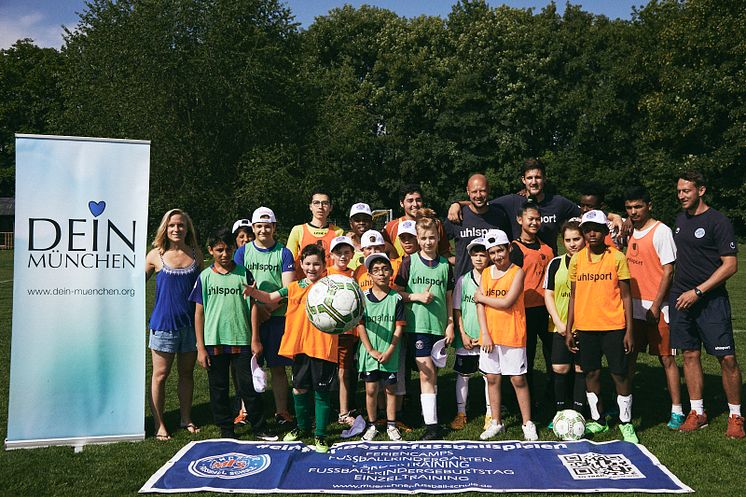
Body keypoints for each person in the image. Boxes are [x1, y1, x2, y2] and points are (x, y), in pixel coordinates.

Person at [669, 171, 743, 439]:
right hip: (681, 299)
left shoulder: (718, 221)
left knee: (727, 358)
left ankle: (735, 415)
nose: (681, 196)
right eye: (678, 191)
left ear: (701, 190)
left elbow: (731, 265)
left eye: (686, 191)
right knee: (689, 355)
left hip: (709, 300)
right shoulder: (679, 220)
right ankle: (697, 412)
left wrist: (698, 291)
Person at [244, 243, 339, 452]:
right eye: (308, 264)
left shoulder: (331, 287)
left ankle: (321, 435)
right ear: (301, 265)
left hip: (323, 346)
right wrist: (254, 292)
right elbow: (270, 298)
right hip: (301, 348)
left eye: (316, 264)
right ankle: (302, 427)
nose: (312, 268)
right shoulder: (294, 287)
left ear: (324, 266)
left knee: (321, 392)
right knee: (299, 388)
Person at [190, 228, 276, 441]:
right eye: (219, 250)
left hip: (242, 339)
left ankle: (259, 427)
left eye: (228, 249)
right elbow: (199, 313)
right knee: (218, 389)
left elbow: (254, 306)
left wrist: (255, 338)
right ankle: (226, 430)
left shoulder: (244, 274)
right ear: (211, 251)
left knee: (248, 387)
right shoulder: (205, 277)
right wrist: (200, 347)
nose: (225, 254)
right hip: (214, 341)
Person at [566, 210, 637, 443]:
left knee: (619, 373)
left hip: (614, 326)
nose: (592, 233)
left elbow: (626, 296)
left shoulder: (617, 257)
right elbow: (574, 296)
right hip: (586, 327)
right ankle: (598, 420)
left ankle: (626, 422)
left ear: (606, 231)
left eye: (596, 228)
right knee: (591, 372)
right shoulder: (577, 259)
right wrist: (569, 328)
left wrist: (629, 330)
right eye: (587, 229)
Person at [623, 186, 683, 429]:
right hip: (632, 307)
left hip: (657, 306)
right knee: (629, 358)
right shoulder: (629, 232)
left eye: (638, 207)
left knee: (666, 359)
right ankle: (625, 406)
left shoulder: (662, 232)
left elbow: (669, 271)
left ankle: (677, 409)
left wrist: (657, 305)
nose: (634, 212)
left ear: (649, 206)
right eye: (629, 208)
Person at [394, 208, 455, 440]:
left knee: (433, 374)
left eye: (432, 237)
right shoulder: (409, 262)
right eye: (423, 238)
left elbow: (449, 297)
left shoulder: (444, 266)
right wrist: (416, 296)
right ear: (417, 239)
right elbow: (397, 293)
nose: (428, 242)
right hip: (417, 326)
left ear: (438, 238)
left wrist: (450, 323)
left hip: (439, 327)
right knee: (426, 372)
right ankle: (432, 426)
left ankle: (430, 416)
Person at [232, 207, 295, 428]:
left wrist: (268, 307)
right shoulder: (243, 252)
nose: (263, 230)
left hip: (277, 316)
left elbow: (288, 288)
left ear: (274, 227)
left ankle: (281, 411)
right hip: (249, 318)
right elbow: (237, 283)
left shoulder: (284, 252)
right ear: (253, 228)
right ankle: (245, 411)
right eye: (259, 226)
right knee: (249, 367)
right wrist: (257, 310)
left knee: (278, 368)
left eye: (268, 226)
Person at [145, 209, 203, 440]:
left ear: (187, 228)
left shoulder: (196, 255)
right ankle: (159, 424)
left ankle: (185, 418)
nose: (176, 229)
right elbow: (133, 286)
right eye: (171, 226)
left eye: (180, 225)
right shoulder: (155, 255)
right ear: (165, 229)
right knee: (160, 375)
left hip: (190, 327)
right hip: (163, 326)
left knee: (186, 374)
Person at [475, 229, 537, 441]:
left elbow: (506, 302)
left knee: (518, 379)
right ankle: (496, 422)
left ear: (509, 248)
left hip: (512, 334)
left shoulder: (517, 272)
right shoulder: (485, 273)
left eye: (500, 251)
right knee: (492, 378)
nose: (496, 256)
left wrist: (481, 298)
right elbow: (480, 308)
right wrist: (485, 333)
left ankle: (527, 423)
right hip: (490, 337)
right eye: (492, 253)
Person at [448, 159, 580, 254]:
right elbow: (482, 203)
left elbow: (582, 214)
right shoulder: (512, 201)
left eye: (538, 177)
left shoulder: (558, 202)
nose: (533, 182)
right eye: (529, 178)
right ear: (523, 180)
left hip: (548, 264)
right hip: (519, 266)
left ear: (544, 179)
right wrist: (458, 204)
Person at [357, 253, 406, 441]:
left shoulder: (397, 299)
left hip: (389, 353)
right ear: (369, 275)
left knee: (390, 389)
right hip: (370, 353)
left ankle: (391, 425)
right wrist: (370, 350)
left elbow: (399, 327)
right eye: (376, 270)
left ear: (391, 272)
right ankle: (372, 425)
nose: (381, 273)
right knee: (371, 390)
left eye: (385, 269)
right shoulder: (363, 297)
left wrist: (390, 350)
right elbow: (360, 325)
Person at [510, 200, 555, 403]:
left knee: (553, 354)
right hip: (524, 310)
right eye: (531, 219)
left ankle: (553, 393)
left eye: (538, 219)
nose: (535, 223)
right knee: (526, 356)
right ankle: (527, 400)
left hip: (547, 309)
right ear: (520, 220)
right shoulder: (515, 248)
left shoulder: (548, 248)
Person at [544, 220, 586, 421]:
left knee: (581, 368)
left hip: (586, 327)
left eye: (577, 239)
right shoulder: (555, 263)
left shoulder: (591, 262)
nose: (573, 244)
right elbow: (548, 294)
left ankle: (579, 413)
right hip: (559, 327)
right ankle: (559, 413)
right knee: (560, 368)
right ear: (563, 241)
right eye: (568, 240)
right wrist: (559, 323)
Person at [449, 237, 492, 431]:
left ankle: (491, 414)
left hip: (487, 337)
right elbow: (457, 310)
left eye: (483, 254)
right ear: (470, 257)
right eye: (475, 255)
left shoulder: (493, 280)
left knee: (488, 376)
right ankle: (461, 413)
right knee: (463, 375)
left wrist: (485, 335)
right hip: (466, 338)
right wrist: (463, 334)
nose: (479, 258)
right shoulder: (463, 281)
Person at [444, 174, 511, 278]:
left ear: (488, 189)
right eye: (474, 191)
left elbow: (508, 247)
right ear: (468, 191)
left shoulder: (500, 216)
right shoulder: (457, 215)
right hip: (464, 283)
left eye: (482, 190)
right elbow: (439, 244)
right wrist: (454, 260)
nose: (478, 195)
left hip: (494, 281)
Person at [328, 236, 358, 426]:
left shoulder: (355, 275)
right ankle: (324, 408)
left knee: (343, 372)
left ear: (352, 254)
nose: (342, 256)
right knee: (324, 373)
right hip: (326, 334)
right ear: (331, 255)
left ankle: (343, 412)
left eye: (346, 252)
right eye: (338, 252)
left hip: (348, 334)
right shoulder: (325, 274)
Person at [286, 189, 344, 278]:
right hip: (304, 285)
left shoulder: (338, 232)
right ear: (310, 206)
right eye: (316, 203)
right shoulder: (298, 230)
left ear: (331, 207)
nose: (320, 206)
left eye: (325, 203)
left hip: (329, 285)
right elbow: (288, 262)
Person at [384, 184, 450, 259]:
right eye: (410, 201)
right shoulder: (392, 226)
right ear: (402, 203)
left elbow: (445, 253)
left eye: (418, 200)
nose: (415, 204)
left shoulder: (435, 224)